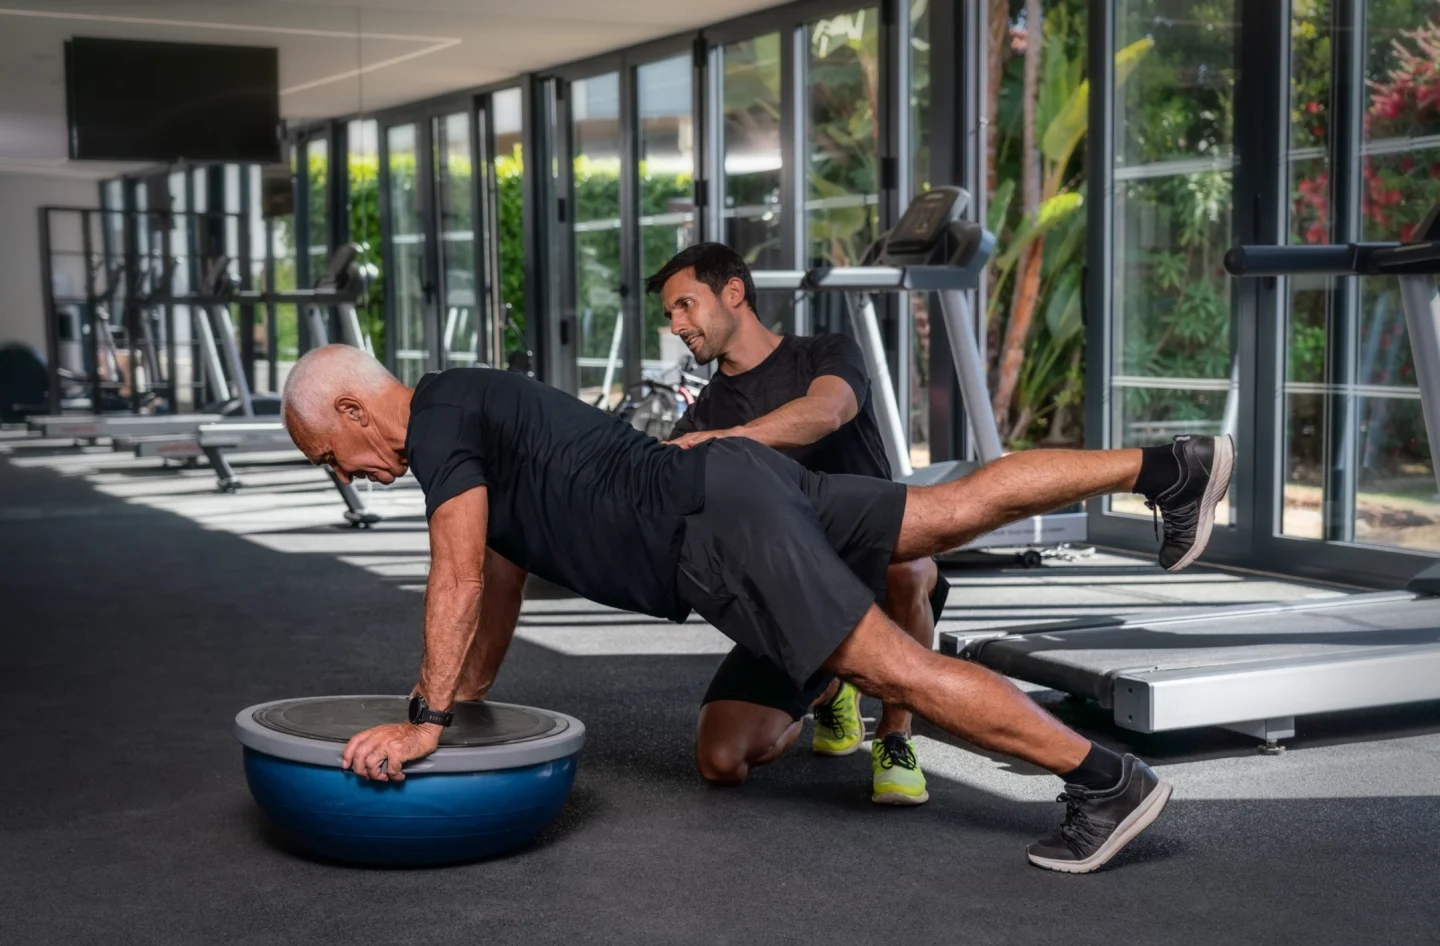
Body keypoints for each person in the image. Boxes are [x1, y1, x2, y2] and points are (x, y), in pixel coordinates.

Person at [281, 343, 1232, 873]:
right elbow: (493, 581)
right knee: (941, 511)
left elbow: (449, 574)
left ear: (359, 412)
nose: (343, 476)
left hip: (714, 533)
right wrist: (470, 693)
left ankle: (1105, 778)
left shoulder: (441, 426)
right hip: (731, 482)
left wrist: (425, 723)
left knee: (892, 666)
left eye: (330, 455)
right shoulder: (467, 413)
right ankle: (1171, 467)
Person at [654, 242, 946, 806]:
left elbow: (825, 413)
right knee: (720, 762)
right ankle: (832, 685)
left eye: (685, 305)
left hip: (870, 570)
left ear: (733, 292)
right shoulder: (703, 413)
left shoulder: (826, 353)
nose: (676, 324)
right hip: (792, 601)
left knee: (911, 566)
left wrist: (713, 444)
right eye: (670, 314)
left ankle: (893, 735)